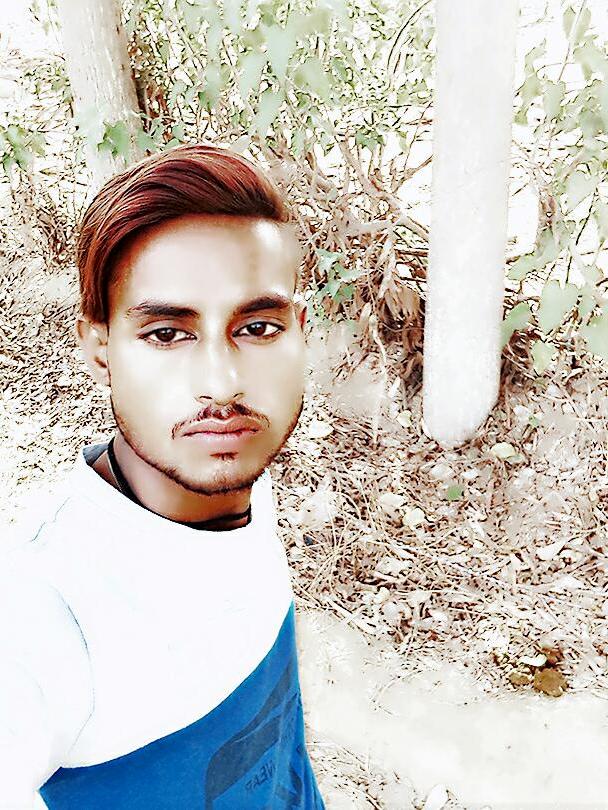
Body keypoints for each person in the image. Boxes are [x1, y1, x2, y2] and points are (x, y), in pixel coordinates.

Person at [0, 142, 326, 809]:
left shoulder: (234, 477)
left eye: (257, 327)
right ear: (100, 350)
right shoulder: (45, 611)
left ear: (300, 332)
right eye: (168, 334)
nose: (222, 384)